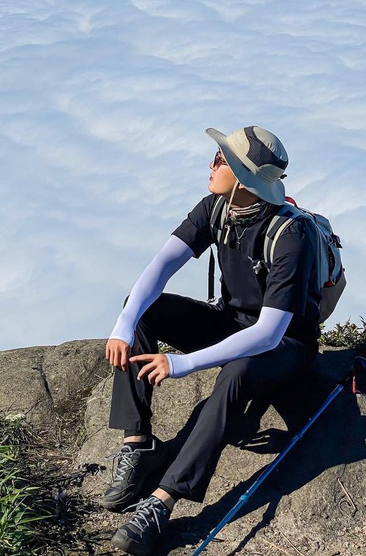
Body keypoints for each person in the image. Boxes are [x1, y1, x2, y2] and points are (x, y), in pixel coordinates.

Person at [103, 126, 322, 556]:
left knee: (238, 372)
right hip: (232, 323)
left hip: (286, 346)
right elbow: (162, 263)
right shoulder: (215, 208)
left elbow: (269, 333)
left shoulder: (291, 235)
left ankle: (162, 500)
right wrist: (125, 322)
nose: (211, 164)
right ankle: (138, 444)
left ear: (242, 175)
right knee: (143, 305)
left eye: (220, 160)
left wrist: (182, 364)